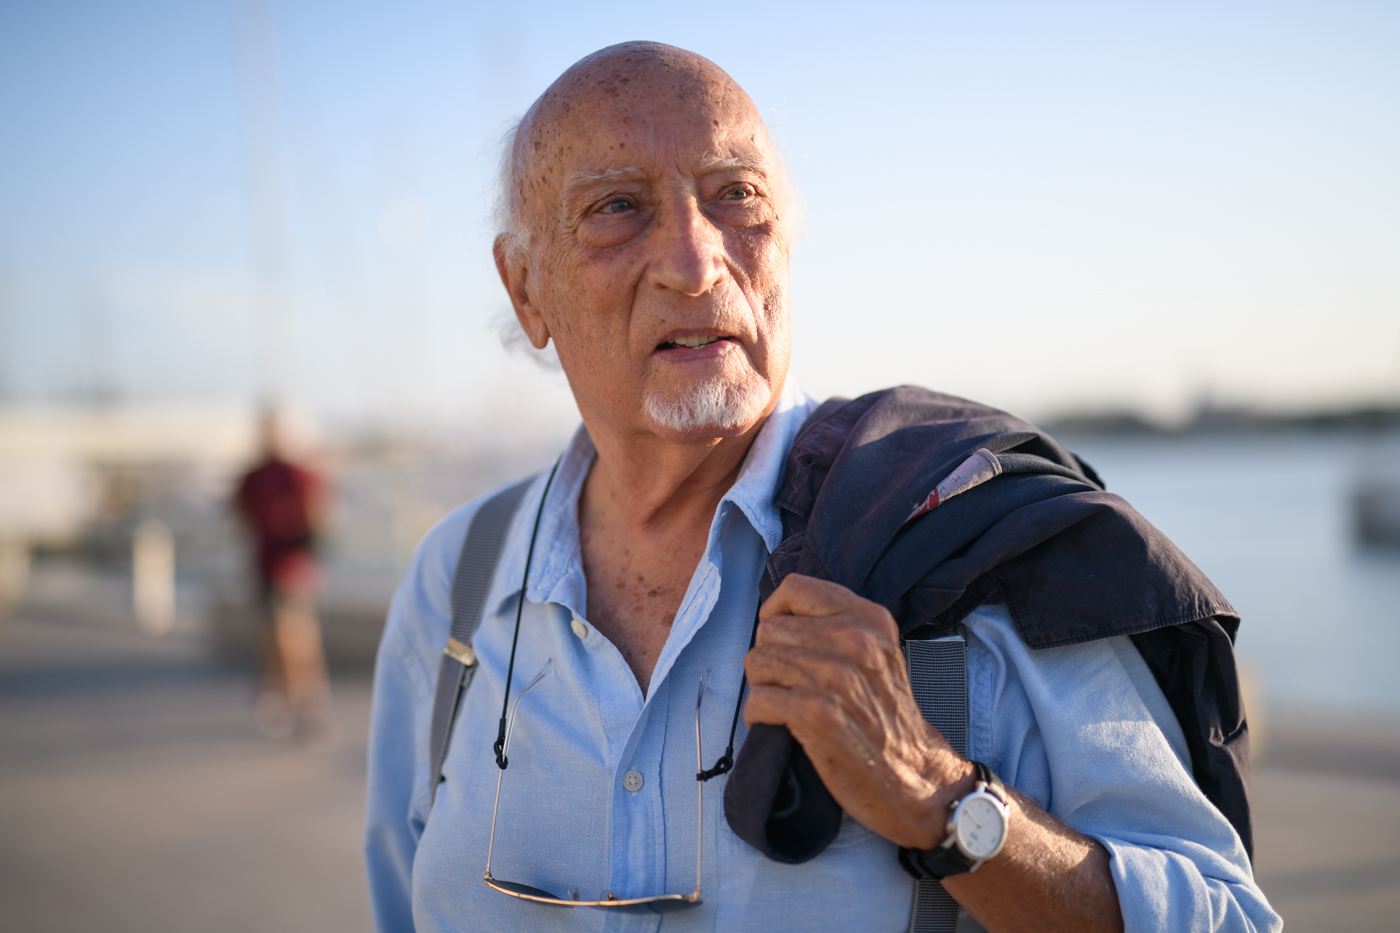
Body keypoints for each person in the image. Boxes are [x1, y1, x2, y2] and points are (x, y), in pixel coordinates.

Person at [364, 42, 1281, 932]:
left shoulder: (967, 543)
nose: (694, 259)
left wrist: (939, 796)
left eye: (736, 197)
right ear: (527, 288)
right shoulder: (459, 582)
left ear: (786, 248)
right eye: (617, 207)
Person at [236, 409, 337, 749]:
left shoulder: (296, 474)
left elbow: (317, 515)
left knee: (295, 638)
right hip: (267, 566)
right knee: (277, 637)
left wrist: (305, 551)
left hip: (290, 568)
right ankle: (289, 701)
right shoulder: (256, 475)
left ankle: (307, 708)